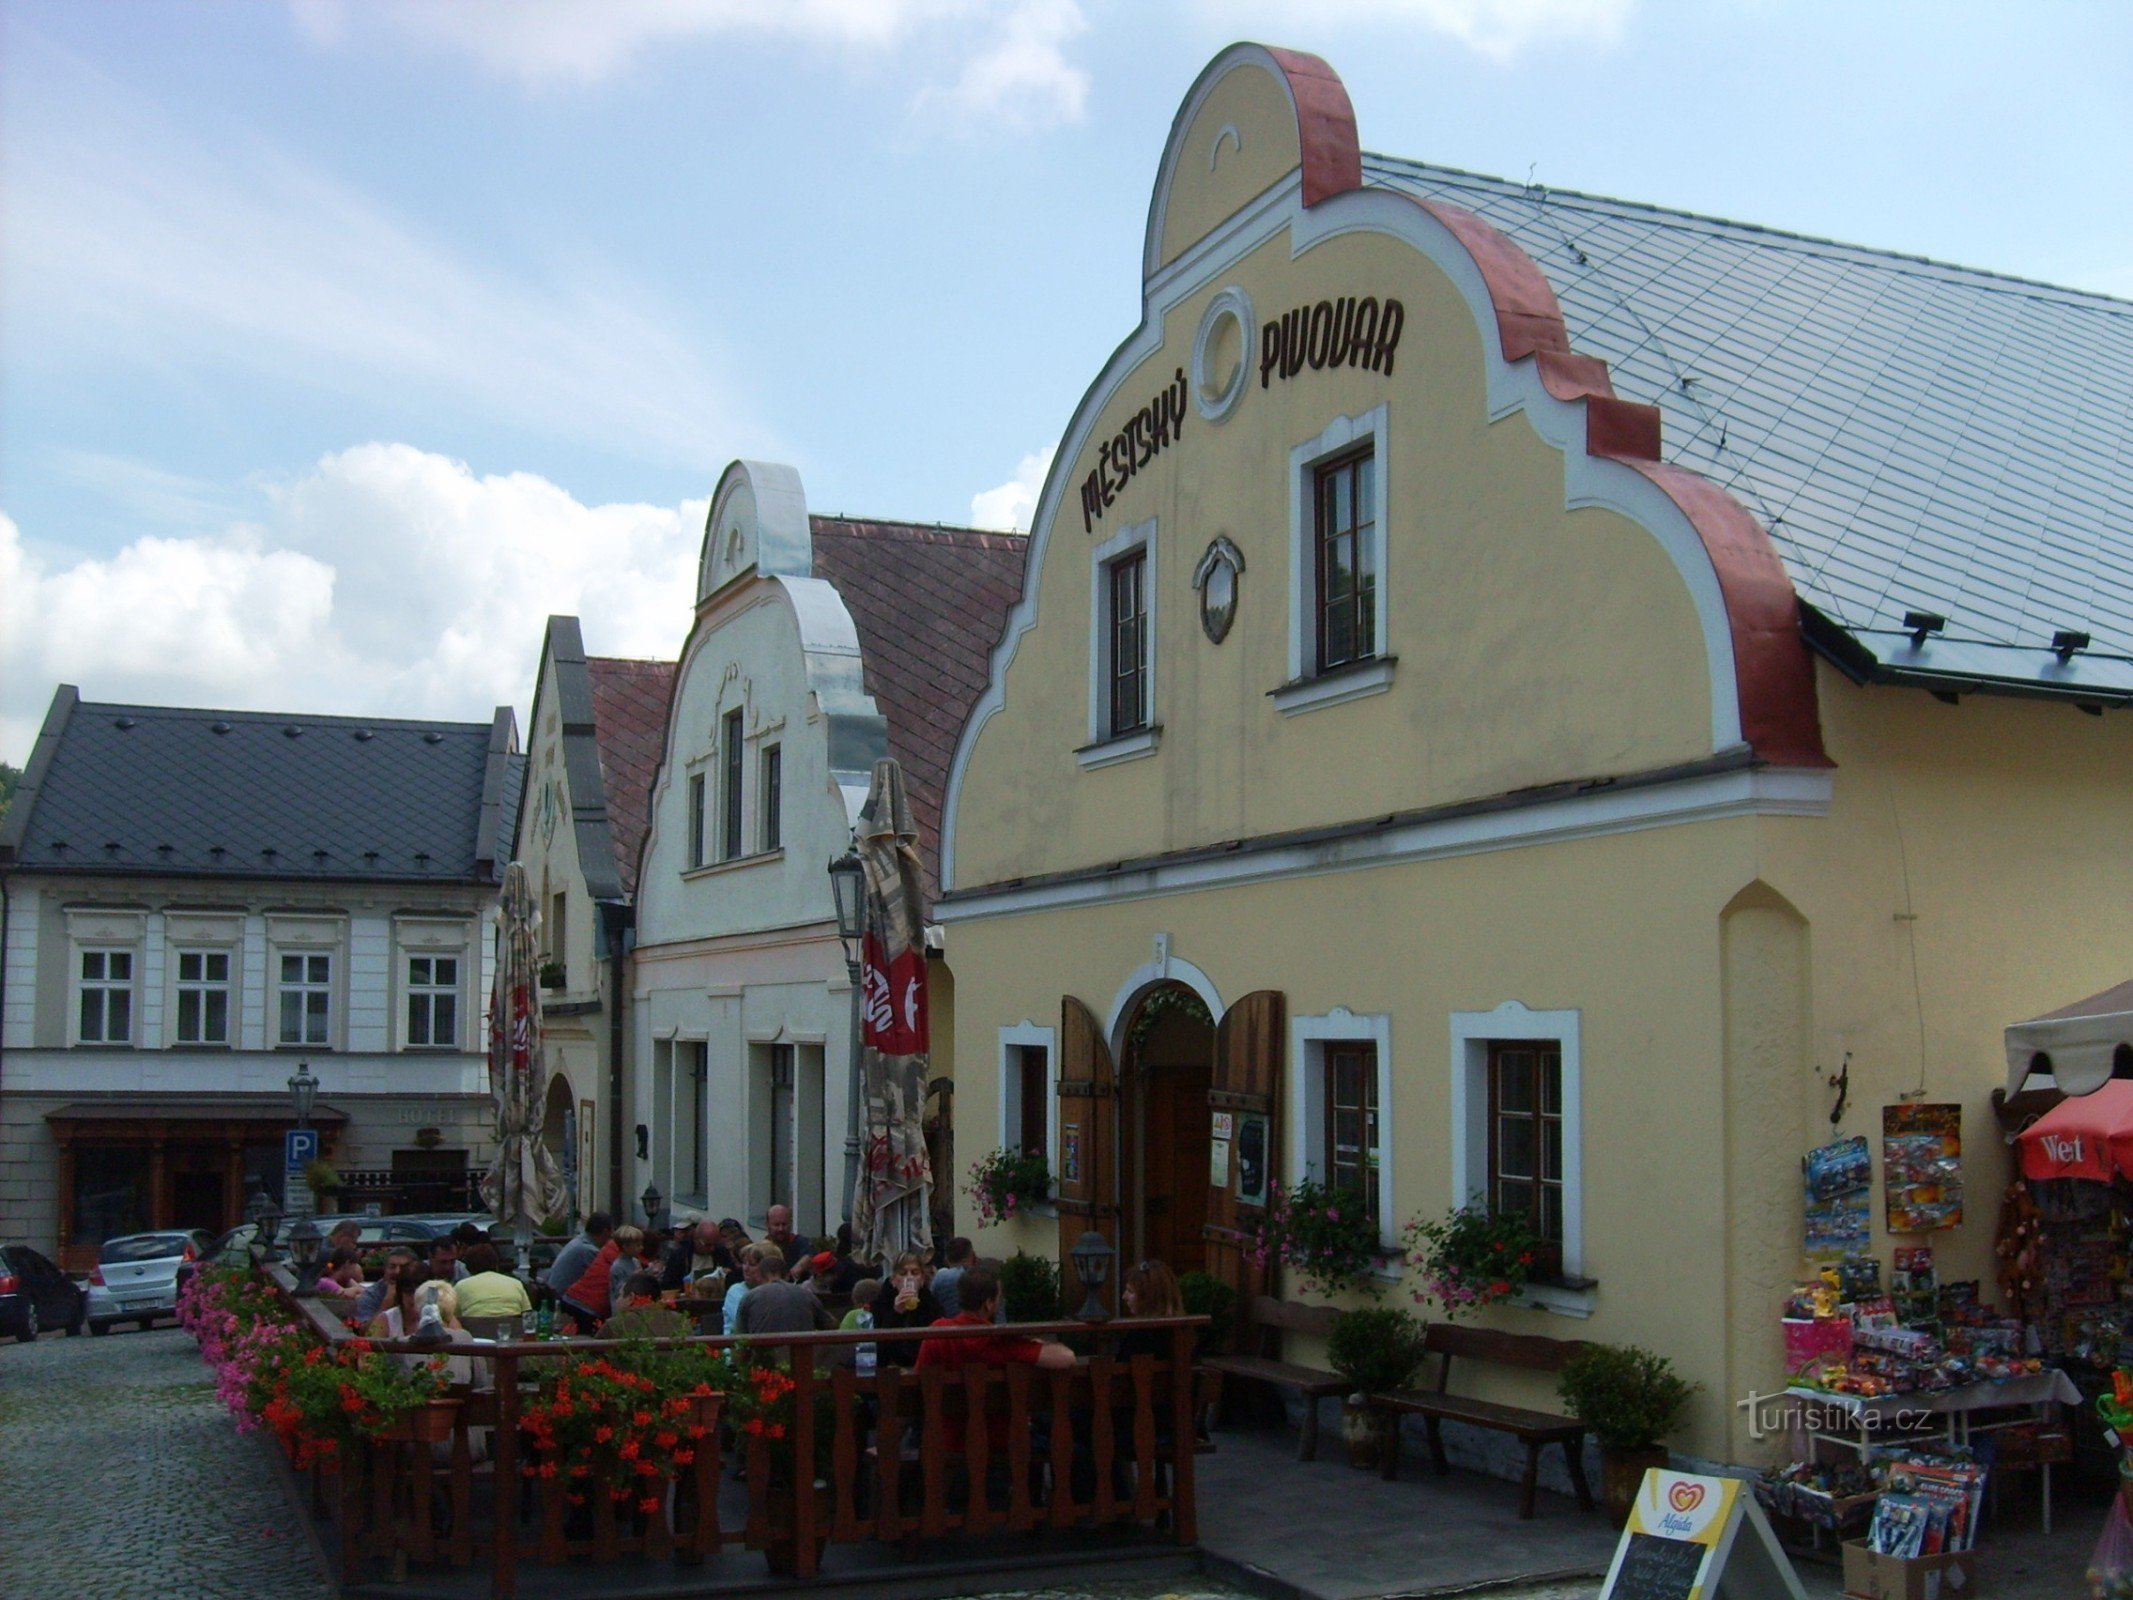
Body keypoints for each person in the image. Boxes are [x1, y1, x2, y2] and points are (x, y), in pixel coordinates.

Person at [913, 1265, 1074, 1450]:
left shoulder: (938, 1333)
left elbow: (918, 1379)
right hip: (999, 1442)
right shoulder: (998, 1340)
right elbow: (1066, 1358)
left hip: (947, 1442)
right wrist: (1036, 1343)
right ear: (989, 1303)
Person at [733, 1245, 836, 1335]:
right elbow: (832, 1325)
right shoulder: (807, 1294)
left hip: (764, 1355)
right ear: (787, 1276)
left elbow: (739, 1341)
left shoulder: (749, 1297)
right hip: (800, 1355)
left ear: (759, 1276)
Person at [544, 1212, 614, 1334]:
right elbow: (602, 1278)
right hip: (565, 1300)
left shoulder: (578, 1241)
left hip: (554, 1293)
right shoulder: (588, 1251)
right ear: (605, 1232)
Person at [1115, 1259, 1184, 1360]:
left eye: (1130, 1291)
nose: (1124, 1296)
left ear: (1148, 1296)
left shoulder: (1139, 1336)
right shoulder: (1182, 1332)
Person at [869, 1251, 941, 1346]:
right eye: (903, 1273)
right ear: (893, 1280)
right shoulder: (881, 1303)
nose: (909, 1277)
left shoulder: (932, 1304)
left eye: (915, 1273)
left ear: (922, 1279)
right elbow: (878, 1347)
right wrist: (896, 1313)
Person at [454, 1242, 533, 1321]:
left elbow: (451, 1316)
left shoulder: (460, 1286)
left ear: (468, 1267)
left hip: (474, 1330)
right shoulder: (516, 1283)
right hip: (512, 1330)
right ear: (496, 1264)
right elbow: (527, 1314)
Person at [603, 1271, 691, 1341]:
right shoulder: (682, 1321)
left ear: (631, 1297)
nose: (617, 1300)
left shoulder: (615, 1325)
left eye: (619, 1295)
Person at [662, 1218, 736, 1292]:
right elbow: (668, 1284)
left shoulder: (722, 1253)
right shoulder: (679, 1256)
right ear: (696, 1239)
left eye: (715, 1244)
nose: (712, 1249)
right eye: (707, 1245)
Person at [355, 1247, 419, 1324]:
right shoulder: (371, 1295)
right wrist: (385, 1306)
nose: (397, 1272)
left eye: (403, 1267)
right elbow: (364, 1332)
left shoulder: (422, 1289)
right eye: (392, 1267)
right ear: (385, 1269)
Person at [367, 1263, 432, 1339]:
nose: (414, 1297)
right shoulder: (384, 1320)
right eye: (409, 1291)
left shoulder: (443, 1317)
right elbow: (368, 1348)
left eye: (421, 1292)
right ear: (400, 1292)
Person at [931, 1237, 976, 1318]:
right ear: (970, 1256)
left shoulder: (940, 1276)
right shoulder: (978, 1277)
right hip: (975, 1326)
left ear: (946, 1258)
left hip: (946, 1327)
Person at [720, 1246, 759, 1336]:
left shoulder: (775, 1290)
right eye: (744, 1263)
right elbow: (747, 1323)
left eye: (752, 1264)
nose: (745, 1268)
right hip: (736, 1346)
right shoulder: (736, 1291)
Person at [763, 1205, 803, 1272]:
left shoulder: (800, 1242)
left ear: (790, 1223)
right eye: (776, 1225)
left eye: (784, 1224)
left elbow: (808, 1257)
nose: (780, 1229)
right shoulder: (762, 1247)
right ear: (767, 1225)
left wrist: (799, 1266)